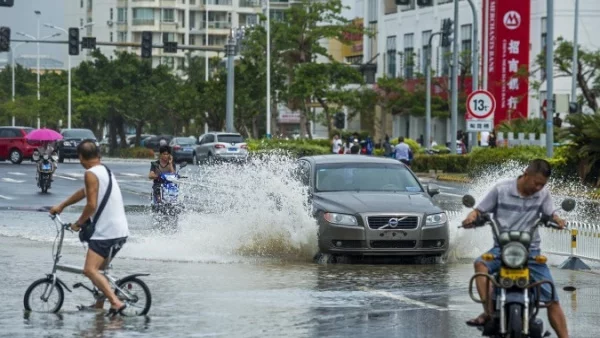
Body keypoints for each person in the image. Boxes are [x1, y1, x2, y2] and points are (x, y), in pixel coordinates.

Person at [462, 159, 569, 338]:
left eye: (542, 185)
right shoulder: (501, 189)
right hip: (501, 249)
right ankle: (488, 312)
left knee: (552, 299)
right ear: (526, 174)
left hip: (530, 252)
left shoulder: (543, 194)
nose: (538, 188)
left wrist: (558, 221)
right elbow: (479, 210)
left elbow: (552, 214)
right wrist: (471, 218)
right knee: (480, 264)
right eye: (536, 183)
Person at [49, 140, 129, 316]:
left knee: (89, 270)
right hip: (120, 230)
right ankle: (99, 306)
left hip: (107, 232)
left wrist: (78, 223)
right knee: (100, 271)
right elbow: (84, 192)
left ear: (80, 157)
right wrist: (62, 205)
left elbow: (91, 204)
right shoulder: (104, 171)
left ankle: (115, 302)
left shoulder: (90, 174)